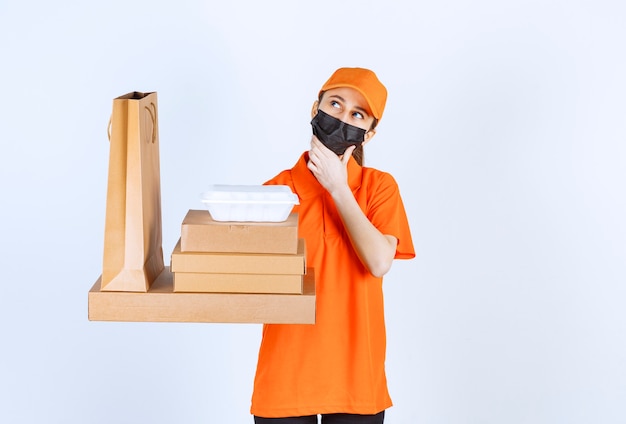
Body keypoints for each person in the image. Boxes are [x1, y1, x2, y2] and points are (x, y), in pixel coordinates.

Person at [251, 67, 416, 424]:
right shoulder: (276, 192)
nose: (343, 117)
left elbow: (379, 262)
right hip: (285, 377)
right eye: (335, 104)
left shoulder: (379, 188)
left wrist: (339, 189)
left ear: (368, 134)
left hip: (356, 380)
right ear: (316, 110)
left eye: (357, 114)